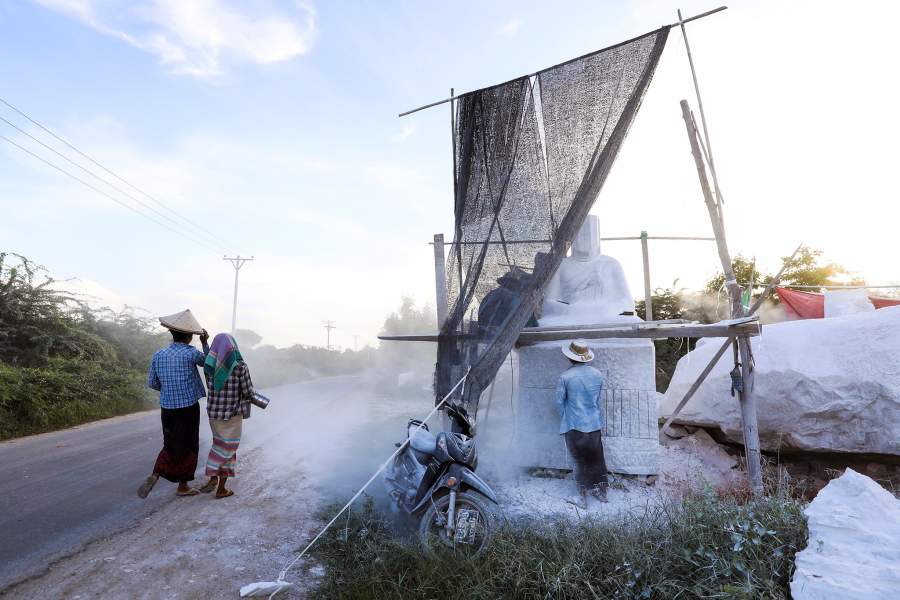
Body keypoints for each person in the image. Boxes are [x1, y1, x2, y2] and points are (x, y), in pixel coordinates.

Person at [138, 309, 209, 498]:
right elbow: (210, 364)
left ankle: (156, 473)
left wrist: (169, 389)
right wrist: (205, 342)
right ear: (189, 337)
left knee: (170, 443)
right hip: (187, 408)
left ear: (172, 334)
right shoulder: (191, 353)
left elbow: (153, 382)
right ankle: (183, 486)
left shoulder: (158, 355)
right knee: (188, 444)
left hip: (167, 408)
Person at [198, 333, 256, 499]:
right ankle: (221, 489)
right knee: (228, 450)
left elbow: (209, 355)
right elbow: (248, 392)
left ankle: (213, 478)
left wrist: (204, 343)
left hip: (214, 415)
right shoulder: (240, 367)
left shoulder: (210, 366)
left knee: (218, 444)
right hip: (232, 415)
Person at [555, 339, 608, 508]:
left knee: (578, 461)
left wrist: (566, 418)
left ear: (570, 358)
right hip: (594, 423)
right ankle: (601, 492)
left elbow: (559, 403)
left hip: (574, 425)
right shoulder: (597, 374)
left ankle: (582, 498)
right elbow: (598, 400)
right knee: (597, 459)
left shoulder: (565, 377)